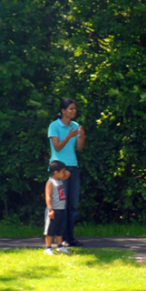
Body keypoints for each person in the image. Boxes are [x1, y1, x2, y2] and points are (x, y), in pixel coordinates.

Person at [48, 98, 85, 247]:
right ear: (63, 111)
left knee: (73, 205)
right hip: (59, 169)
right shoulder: (54, 125)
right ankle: (59, 237)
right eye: (71, 109)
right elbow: (56, 147)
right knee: (61, 204)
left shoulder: (75, 125)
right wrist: (69, 136)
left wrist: (82, 136)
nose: (74, 111)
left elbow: (80, 148)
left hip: (73, 167)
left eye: (75, 109)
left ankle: (70, 237)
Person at [44, 161, 71, 255]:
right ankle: (48, 247)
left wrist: (63, 169)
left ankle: (60, 246)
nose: (64, 173)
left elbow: (68, 174)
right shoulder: (50, 182)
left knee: (60, 229)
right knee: (51, 229)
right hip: (54, 210)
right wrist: (50, 209)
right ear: (55, 172)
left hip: (61, 209)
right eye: (62, 171)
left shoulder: (60, 180)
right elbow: (48, 197)